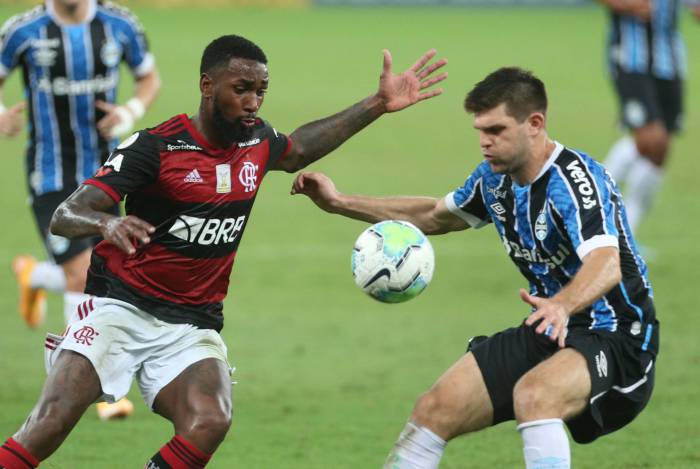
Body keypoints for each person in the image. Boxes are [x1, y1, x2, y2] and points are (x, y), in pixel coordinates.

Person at [0, 34, 447, 468]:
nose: (253, 102)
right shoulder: (154, 147)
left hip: (191, 321)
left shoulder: (257, 142)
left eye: (261, 91)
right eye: (242, 89)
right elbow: (66, 213)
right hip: (118, 307)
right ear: (207, 86)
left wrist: (376, 104)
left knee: (210, 420)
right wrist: (107, 221)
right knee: (49, 424)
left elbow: (301, 148)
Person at [291, 67, 658, 469]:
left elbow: (607, 265)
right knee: (435, 409)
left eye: (497, 130)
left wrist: (561, 306)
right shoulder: (494, 180)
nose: (485, 142)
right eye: (480, 130)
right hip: (552, 325)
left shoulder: (574, 180)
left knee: (536, 397)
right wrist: (341, 202)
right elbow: (434, 215)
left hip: (618, 334)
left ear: (535, 124)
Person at [0, 0, 160, 422]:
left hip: (106, 175)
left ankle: (33, 275)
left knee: (108, 271)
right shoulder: (24, 30)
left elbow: (148, 78)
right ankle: (85, 389)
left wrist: (129, 111)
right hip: (50, 175)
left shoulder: (119, 25)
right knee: (81, 271)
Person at [599, 0, 700, 236]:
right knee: (652, 138)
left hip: (670, 61)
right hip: (630, 59)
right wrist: (625, 4)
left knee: (659, 148)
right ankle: (590, 199)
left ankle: (624, 235)